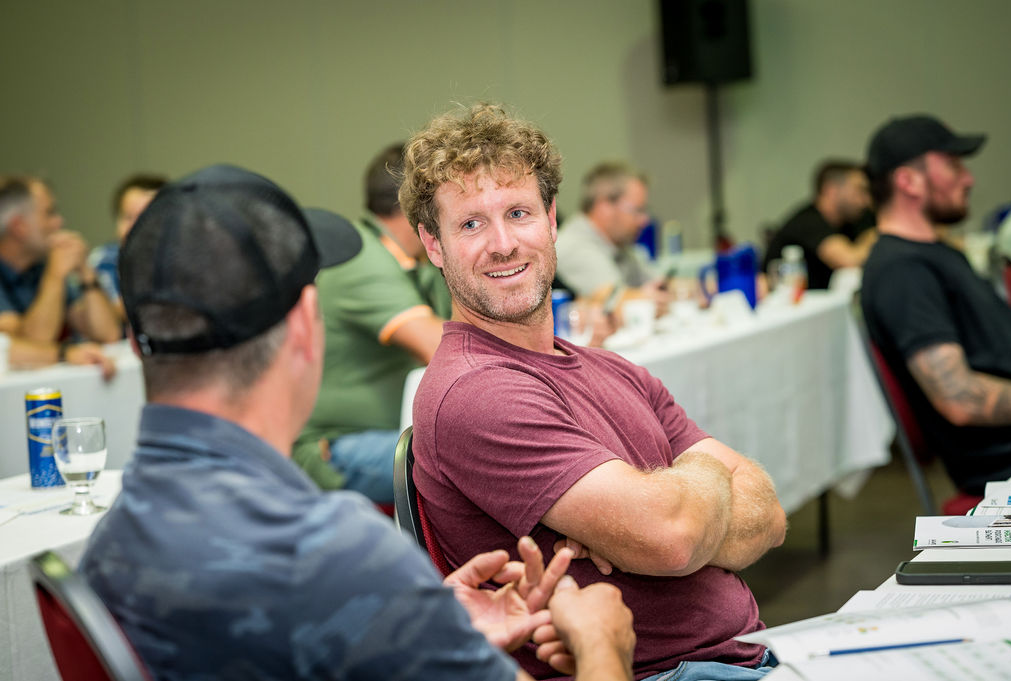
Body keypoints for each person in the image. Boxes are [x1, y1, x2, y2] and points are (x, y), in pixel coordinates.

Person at [79, 164, 635, 681]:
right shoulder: (330, 553)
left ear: (135, 341)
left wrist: (409, 621)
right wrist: (602, 641)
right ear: (305, 325)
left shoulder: (112, 541)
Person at [400, 103, 786, 680]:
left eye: (519, 213)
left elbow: (770, 516)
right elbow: (674, 538)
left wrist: (670, 503)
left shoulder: (613, 369)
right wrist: (700, 481)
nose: (503, 244)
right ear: (433, 245)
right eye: (471, 224)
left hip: (749, 653)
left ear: (552, 219)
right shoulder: (475, 391)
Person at [861, 114, 1011, 495]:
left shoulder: (935, 253)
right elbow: (958, 398)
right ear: (908, 181)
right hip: (1010, 467)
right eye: (953, 166)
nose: (968, 179)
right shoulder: (901, 272)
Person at [293, 144, 449, 497]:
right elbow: (442, 349)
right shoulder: (364, 259)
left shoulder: (406, 258)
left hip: (385, 432)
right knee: (467, 458)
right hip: (334, 447)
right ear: (419, 203)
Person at [0, 175, 122, 345]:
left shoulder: (39, 268)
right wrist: (54, 276)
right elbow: (31, 344)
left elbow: (108, 334)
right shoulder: (51, 271)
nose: (59, 221)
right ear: (19, 227)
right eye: (49, 213)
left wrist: (85, 272)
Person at [555, 162, 671, 309]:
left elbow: (658, 283)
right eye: (637, 210)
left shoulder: (618, 245)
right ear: (605, 208)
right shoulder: (574, 246)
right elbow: (613, 302)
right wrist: (650, 298)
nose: (645, 220)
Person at [763, 160, 874, 290]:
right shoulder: (807, 221)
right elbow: (849, 260)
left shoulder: (855, 220)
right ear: (831, 190)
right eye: (859, 190)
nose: (866, 199)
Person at [87, 173, 168, 312]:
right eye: (128, 217)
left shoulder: (183, 257)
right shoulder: (105, 260)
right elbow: (109, 313)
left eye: (145, 217)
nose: (134, 227)